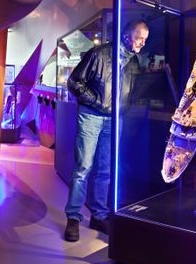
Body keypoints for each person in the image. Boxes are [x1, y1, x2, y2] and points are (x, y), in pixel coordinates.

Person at [63, 20, 149, 242]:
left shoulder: (133, 62)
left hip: (114, 120)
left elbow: (130, 91)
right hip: (91, 116)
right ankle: (73, 218)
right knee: (83, 168)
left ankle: (99, 215)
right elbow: (74, 82)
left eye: (145, 39)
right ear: (128, 36)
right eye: (140, 38)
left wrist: (123, 109)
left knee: (105, 169)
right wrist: (98, 103)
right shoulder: (99, 54)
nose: (143, 43)